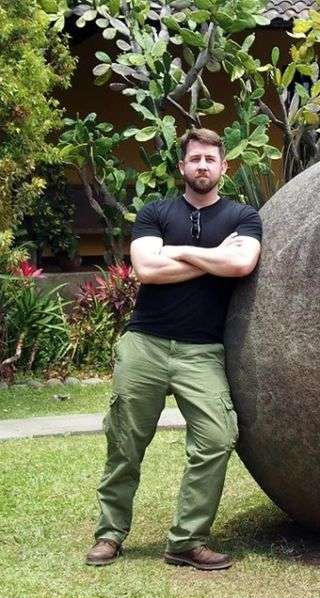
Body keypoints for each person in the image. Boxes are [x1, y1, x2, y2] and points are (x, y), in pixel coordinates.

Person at [86, 128, 262, 570]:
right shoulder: (154, 212)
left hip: (203, 351)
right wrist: (210, 258)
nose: (202, 165)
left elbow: (241, 263)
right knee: (125, 441)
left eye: (210, 159)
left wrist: (179, 254)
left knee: (217, 439)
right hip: (144, 342)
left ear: (224, 168)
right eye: (195, 158)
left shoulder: (244, 217)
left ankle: (186, 539)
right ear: (182, 166)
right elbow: (146, 269)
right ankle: (109, 534)